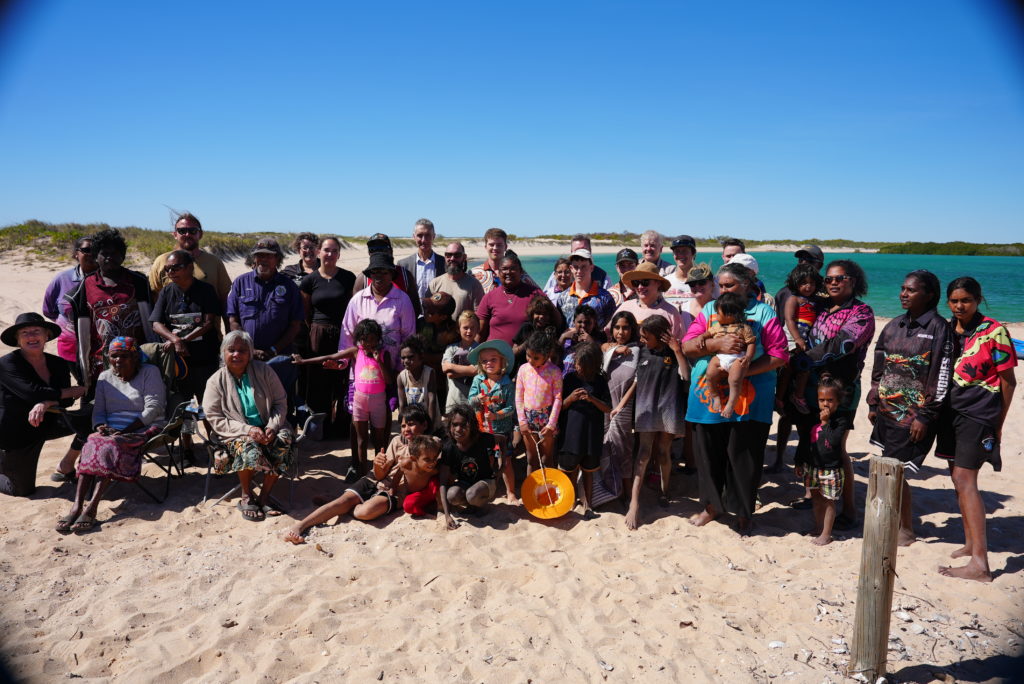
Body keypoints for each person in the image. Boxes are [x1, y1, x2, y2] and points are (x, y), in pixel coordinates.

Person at [683, 261, 788, 535]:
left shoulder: (763, 313)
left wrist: (740, 372)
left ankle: (743, 513)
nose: (723, 290)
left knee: (744, 456)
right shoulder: (710, 309)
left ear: (747, 285)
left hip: (751, 398)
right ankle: (711, 507)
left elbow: (779, 354)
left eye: (729, 285)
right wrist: (715, 345)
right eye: (721, 285)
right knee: (707, 454)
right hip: (706, 395)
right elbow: (687, 345)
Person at [936, 277, 1017, 582]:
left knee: (965, 479)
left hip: (979, 413)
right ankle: (970, 543)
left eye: (966, 300)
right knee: (956, 477)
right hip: (951, 414)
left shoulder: (994, 331)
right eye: (954, 301)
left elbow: (1009, 381)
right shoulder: (947, 329)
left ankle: (980, 564)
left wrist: (998, 423)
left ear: (978, 300)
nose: (960, 306)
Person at [867, 270, 953, 547]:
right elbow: (880, 365)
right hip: (887, 411)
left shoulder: (940, 329)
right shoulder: (894, 325)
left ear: (929, 295)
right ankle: (891, 522)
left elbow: (942, 375)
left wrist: (925, 416)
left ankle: (905, 529)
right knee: (890, 468)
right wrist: (873, 401)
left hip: (914, 416)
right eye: (903, 288)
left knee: (897, 471)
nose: (903, 294)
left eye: (911, 290)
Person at [794, 259, 875, 525]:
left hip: (842, 389)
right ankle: (815, 496)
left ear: (853, 280)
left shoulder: (862, 313)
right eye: (828, 279)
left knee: (836, 447)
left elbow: (843, 343)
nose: (832, 283)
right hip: (812, 385)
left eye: (839, 278)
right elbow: (793, 302)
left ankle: (849, 509)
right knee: (811, 440)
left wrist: (805, 358)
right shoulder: (820, 307)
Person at [57, 337, 166, 533]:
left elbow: (154, 408)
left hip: (143, 426)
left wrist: (124, 431)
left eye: (124, 356)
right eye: (114, 356)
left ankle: (92, 507)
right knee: (91, 441)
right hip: (111, 429)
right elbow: (99, 410)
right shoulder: (104, 377)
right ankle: (77, 505)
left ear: (135, 357)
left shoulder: (150, 372)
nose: (118, 360)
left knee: (110, 445)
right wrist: (100, 426)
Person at [282, 407, 437, 543]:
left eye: (411, 424)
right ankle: (300, 525)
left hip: (397, 491)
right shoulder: (397, 441)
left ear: (424, 425)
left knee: (362, 512)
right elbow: (380, 474)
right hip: (377, 480)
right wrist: (378, 465)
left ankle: (339, 506)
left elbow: (428, 473)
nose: (406, 429)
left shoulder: (430, 447)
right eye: (403, 425)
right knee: (344, 500)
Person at [203, 330, 295, 522]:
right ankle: (246, 495)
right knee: (248, 446)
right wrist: (248, 430)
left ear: (250, 353)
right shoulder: (215, 381)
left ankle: (264, 495)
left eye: (242, 350)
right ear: (223, 353)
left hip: (268, 426)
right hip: (235, 432)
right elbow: (214, 418)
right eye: (231, 350)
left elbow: (280, 402)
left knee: (284, 439)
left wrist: (273, 426)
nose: (237, 354)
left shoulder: (264, 371)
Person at [0, 313, 90, 495]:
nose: (31, 336)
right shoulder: (7, 363)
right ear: (17, 339)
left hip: (48, 421)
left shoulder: (58, 363)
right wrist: (70, 391)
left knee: (90, 417)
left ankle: (67, 464)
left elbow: (66, 401)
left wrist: (46, 402)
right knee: (22, 491)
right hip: (16, 433)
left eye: (36, 331)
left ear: (46, 335)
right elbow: (31, 392)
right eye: (25, 332)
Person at [295, 319, 394, 479]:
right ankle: (363, 476)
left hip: (378, 402)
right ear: (359, 339)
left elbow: (389, 380)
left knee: (379, 440)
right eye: (364, 339)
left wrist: (379, 361)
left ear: (378, 339)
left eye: (372, 339)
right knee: (361, 440)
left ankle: (379, 475)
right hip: (359, 401)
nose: (368, 343)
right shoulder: (356, 351)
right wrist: (303, 361)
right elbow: (331, 356)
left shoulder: (384, 354)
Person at [621, 316, 689, 530]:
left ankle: (664, 491)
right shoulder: (640, 351)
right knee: (643, 455)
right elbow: (634, 379)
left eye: (646, 337)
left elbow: (686, 376)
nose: (642, 340)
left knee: (663, 453)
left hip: (668, 408)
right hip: (646, 408)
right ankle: (634, 503)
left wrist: (677, 350)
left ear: (660, 335)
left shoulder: (674, 352)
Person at [67, 228, 154, 387]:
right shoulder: (85, 286)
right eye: (104, 253)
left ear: (122, 256)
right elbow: (82, 329)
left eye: (114, 253)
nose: (109, 257)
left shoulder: (138, 281)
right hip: (101, 362)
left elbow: (151, 321)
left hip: (137, 358)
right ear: (95, 256)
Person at [225, 238, 303, 398]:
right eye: (259, 255)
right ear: (253, 258)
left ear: (277, 259)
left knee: (280, 402)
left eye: (269, 256)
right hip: (246, 358)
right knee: (248, 402)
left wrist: (273, 350)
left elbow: (295, 325)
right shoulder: (240, 282)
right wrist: (249, 349)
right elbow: (233, 321)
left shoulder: (289, 286)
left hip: (279, 358)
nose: (263, 260)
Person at [299, 236, 355, 438]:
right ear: (318, 252)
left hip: (343, 334)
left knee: (342, 380)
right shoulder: (309, 280)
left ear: (339, 255)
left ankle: (340, 427)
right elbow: (305, 312)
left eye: (334, 251)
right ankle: (318, 429)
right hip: (318, 334)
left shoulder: (348, 278)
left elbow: (353, 308)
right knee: (318, 380)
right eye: (326, 250)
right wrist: (316, 330)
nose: (329, 254)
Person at [150, 249, 222, 402]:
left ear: (190, 268)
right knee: (179, 403)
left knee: (209, 404)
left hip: (205, 358)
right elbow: (156, 323)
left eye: (176, 268)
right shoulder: (166, 292)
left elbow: (208, 323)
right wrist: (175, 340)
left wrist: (183, 340)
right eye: (167, 269)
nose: (171, 272)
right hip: (178, 362)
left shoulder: (206, 290)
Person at [339, 251, 416, 378]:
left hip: (392, 372)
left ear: (391, 274)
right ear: (369, 275)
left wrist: (400, 369)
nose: (379, 277)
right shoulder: (358, 299)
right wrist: (342, 360)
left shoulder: (403, 300)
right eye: (375, 272)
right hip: (362, 372)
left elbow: (408, 336)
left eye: (384, 272)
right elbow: (347, 334)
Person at [794, 376, 850, 546]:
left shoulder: (841, 421)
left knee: (829, 501)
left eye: (830, 400)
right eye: (822, 400)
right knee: (816, 498)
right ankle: (818, 527)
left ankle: (827, 533)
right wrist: (798, 461)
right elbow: (804, 440)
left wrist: (825, 423)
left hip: (830, 469)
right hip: (812, 466)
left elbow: (833, 443)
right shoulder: (812, 417)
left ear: (838, 401)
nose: (825, 404)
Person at [558, 341, 611, 520]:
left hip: (591, 434)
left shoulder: (600, 381)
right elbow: (559, 407)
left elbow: (608, 408)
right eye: (577, 362)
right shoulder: (570, 379)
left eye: (581, 364)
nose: (577, 366)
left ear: (592, 365)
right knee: (569, 469)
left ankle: (588, 503)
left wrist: (591, 399)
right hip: (570, 434)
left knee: (589, 470)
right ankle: (571, 500)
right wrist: (571, 398)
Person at [467, 339, 518, 503]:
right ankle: (489, 490)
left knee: (506, 461)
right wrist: (477, 399)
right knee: (487, 460)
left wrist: (497, 415)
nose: (489, 363)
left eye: (493, 359)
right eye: (484, 360)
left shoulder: (507, 383)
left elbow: (511, 408)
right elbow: (469, 401)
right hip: (483, 429)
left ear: (502, 361)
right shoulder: (478, 381)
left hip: (502, 431)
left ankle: (511, 492)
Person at [148, 212, 232, 312]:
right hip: (169, 327)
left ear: (200, 234)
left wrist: (229, 327)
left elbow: (225, 299)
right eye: (182, 231)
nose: (187, 234)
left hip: (209, 326)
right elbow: (153, 297)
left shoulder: (214, 262)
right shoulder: (161, 262)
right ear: (175, 234)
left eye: (192, 230)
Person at [42, 236, 97, 379]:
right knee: (82, 383)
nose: (92, 254)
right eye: (87, 250)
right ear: (76, 254)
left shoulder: (107, 279)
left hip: (100, 346)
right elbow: (48, 309)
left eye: (96, 250)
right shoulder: (62, 279)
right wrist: (68, 326)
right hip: (70, 347)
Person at [438, 404, 501, 528]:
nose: (458, 429)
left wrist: (502, 467)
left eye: (463, 425)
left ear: (471, 426)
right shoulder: (449, 447)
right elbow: (443, 482)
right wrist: (447, 515)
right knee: (452, 495)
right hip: (465, 484)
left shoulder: (481, 439)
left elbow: (502, 440)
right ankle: (472, 505)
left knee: (472, 494)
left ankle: (483, 506)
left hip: (486, 482)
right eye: (454, 424)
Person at [700, 293, 758, 419]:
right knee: (710, 375)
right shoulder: (717, 327)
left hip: (737, 357)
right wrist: (701, 337)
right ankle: (715, 396)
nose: (715, 315)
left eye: (718, 313)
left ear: (730, 315)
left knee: (735, 380)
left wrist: (748, 357)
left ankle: (731, 403)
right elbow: (707, 334)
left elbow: (751, 343)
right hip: (720, 356)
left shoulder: (745, 328)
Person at [777, 264, 825, 415]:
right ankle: (789, 397)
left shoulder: (814, 301)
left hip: (804, 338)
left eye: (812, 283)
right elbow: (789, 320)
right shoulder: (794, 299)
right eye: (804, 283)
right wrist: (797, 339)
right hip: (792, 337)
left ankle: (791, 396)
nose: (808, 286)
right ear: (795, 283)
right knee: (794, 368)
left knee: (798, 369)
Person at [516, 331, 563, 475]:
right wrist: (522, 422)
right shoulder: (523, 369)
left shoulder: (554, 371)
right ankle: (532, 494)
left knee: (547, 458)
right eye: (528, 355)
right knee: (531, 459)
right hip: (528, 419)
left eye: (536, 357)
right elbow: (519, 397)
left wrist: (551, 425)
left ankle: (550, 493)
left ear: (547, 355)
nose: (530, 360)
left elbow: (558, 398)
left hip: (547, 419)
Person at [476, 253, 544, 345]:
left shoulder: (535, 293)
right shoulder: (489, 297)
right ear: (499, 273)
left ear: (521, 272)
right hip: (493, 356)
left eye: (513, 269)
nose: (508, 272)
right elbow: (480, 333)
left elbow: (554, 320)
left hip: (527, 356)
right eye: (504, 269)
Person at [612, 261, 688, 341]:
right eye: (636, 283)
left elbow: (680, 342)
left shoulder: (671, 312)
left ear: (658, 283)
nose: (640, 287)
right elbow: (610, 333)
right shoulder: (625, 307)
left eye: (645, 282)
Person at [556, 248, 616, 331]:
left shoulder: (604, 297)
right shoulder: (562, 297)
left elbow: (611, 327)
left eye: (584, 267)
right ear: (571, 268)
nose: (579, 271)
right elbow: (560, 326)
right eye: (576, 267)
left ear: (591, 268)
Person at [428, 241, 484, 322]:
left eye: (457, 255)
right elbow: (429, 313)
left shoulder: (474, 285)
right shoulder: (435, 283)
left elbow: (479, 316)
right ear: (445, 257)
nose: (452, 258)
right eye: (448, 255)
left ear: (464, 257)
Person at [471, 227, 537, 294]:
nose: (495, 248)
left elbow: (538, 295)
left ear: (505, 247)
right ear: (486, 247)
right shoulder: (474, 274)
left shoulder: (518, 274)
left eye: (499, 245)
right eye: (491, 245)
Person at [397, 336, 442, 431]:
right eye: (403, 358)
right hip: (412, 424)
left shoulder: (429, 373)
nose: (406, 361)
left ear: (421, 357)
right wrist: (404, 426)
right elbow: (402, 405)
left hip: (429, 420)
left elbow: (432, 400)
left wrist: (430, 427)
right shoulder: (401, 377)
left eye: (410, 357)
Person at [397, 218, 445, 304]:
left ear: (433, 236)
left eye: (427, 235)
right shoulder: (403, 265)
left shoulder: (444, 263)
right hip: (411, 314)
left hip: (437, 315)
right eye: (420, 235)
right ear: (414, 237)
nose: (423, 240)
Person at [542, 234, 610, 292]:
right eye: (577, 250)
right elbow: (546, 296)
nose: (580, 254)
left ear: (590, 251)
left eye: (584, 250)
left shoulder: (602, 276)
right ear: (571, 251)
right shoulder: (559, 274)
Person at [442, 311, 480, 412]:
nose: (469, 331)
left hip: (473, 402)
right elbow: (449, 373)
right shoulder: (451, 349)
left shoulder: (481, 350)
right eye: (465, 328)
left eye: (472, 328)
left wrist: (451, 366)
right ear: (458, 329)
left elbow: (476, 371)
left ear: (478, 329)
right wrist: (470, 370)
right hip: (454, 400)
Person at [512, 295, 562, 371]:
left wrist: (551, 341)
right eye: (538, 313)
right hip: (523, 372)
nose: (541, 316)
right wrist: (529, 342)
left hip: (544, 374)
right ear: (532, 314)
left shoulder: (551, 331)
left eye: (545, 314)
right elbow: (513, 353)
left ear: (550, 316)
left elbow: (555, 358)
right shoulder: (526, 327)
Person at [559, 307, 606, 375]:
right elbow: (554, 356)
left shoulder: (598, 341)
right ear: (574, 322)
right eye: (579, 322)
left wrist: (591, 343)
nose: (583, 325)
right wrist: (562, 337)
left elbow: (600, 361)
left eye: (587, 322)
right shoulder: (566, 338)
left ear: (594, 324)